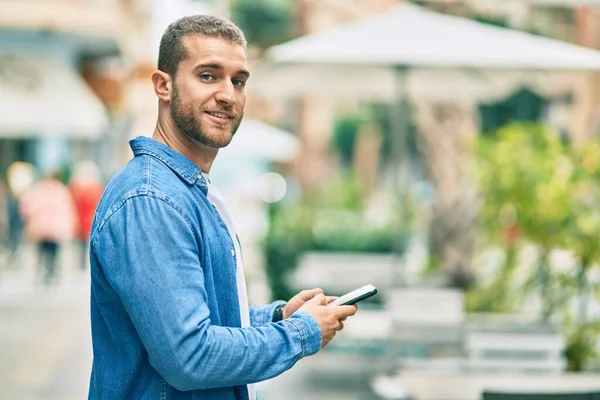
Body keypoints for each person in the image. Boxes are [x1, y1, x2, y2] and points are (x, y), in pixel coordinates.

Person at [88, 15, 357, 400]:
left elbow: (201, 317)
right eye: (208, 76)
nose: (229, 94)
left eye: (239, 80)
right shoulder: (151, 202)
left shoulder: (187, 191)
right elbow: (190, 356)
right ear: (163, 86)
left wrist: (278, 318)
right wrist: (302, 332)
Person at [20, 172, 77, 284]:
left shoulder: (38, 190)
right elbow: (67, 210)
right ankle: (49, 272)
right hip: (52, 228)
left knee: (44, 251)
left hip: (44, 227)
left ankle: (45, 271)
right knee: (50, 251)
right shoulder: (60, 191)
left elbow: (27, 207)